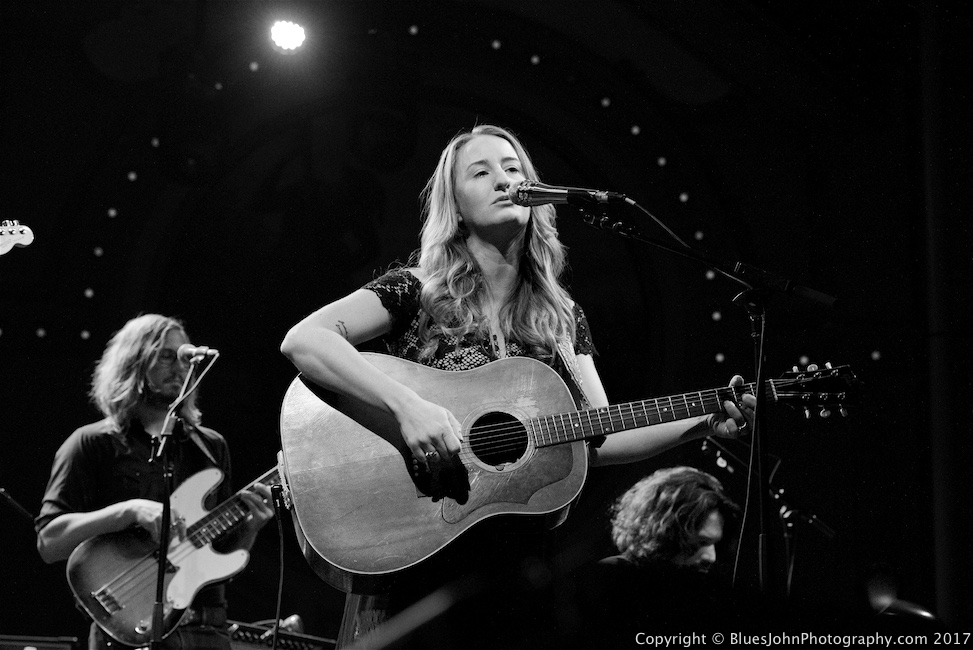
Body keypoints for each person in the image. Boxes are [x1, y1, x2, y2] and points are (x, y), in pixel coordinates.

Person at [279, 124, 756, 643]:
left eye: (512, 169)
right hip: (415, 549)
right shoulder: (418, 290)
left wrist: (702, 423)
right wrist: (407, 407)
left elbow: (597, 436)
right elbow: (305, 339)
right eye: (480, 173)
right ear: (455, 205)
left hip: (511, 567)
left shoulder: (562, 317)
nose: (503, 180)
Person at [36, 314, 275, 650]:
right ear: (133, 362)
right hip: (123, 633)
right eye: (165, 356)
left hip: (207, 631)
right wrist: (129, 511)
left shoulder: (211, 446)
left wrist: (248, 530)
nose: (180, 367)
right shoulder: (91, 443)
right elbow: (49, 542)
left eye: (184, 357)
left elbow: (217, 562)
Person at [572, 466, 741, 642]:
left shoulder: (689, 595)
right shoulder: (614, 581)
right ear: (667, 532)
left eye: (714, 544)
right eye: (701, 543)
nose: (710, 557)